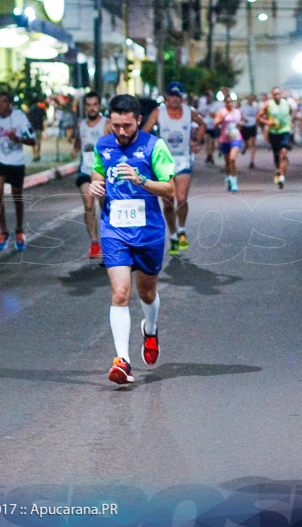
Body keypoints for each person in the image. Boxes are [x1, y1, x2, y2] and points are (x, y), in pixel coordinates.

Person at [88, 94, 175, 385]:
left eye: (126, 126)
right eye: (115, 126)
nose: (121, 132)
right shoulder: (104, 145)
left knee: (146, 293)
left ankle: (150, 330)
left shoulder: (154, 146)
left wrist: (142, 181)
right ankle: (122, 361)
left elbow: (170, 189)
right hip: (114, 230)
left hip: (149, 231)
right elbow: (96, 174)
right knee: (120, 293)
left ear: (138, 120)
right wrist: (96, 185)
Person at [154, 81, 205, 255]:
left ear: (182, 97)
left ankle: (182, 229)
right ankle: (173, 235)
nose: (175, 99)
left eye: (178, 96)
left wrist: (196, 140)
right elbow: (145, 132)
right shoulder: (158, 112)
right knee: (168, 204)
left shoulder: (189, 112)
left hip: (183, 160)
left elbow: (203, 124)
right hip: (163, 162)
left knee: (181, 197)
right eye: (172, 95)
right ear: (167, 97)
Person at [0, 90, 36, 251]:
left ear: (10, 104)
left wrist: (17, 139)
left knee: (17, 197)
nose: (1, 105)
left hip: (16, 162)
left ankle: (19, 229)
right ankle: (4, 231)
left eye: (4, 102)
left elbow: (32, 140)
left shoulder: (19, 117)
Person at [72, 91, 111, 260]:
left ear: (99, 106)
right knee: (88, 204)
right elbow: (78, 142)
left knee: (104, 206)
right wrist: (74, 150)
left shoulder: (107, 124)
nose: (92, 108)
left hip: (102, 173)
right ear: (85, 107)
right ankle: (95, 243)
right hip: (85, 171)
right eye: (88, 105)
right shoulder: (81, 125)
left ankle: (110, 239)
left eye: (95, 104)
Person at [260, 86, 293, 189]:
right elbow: (259, 117)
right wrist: (268, 122)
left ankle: (282, 177)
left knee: (283, 153)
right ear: (272, 95)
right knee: (276, 156)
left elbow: (291, 113)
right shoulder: (268, 105)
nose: (277, 96)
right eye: (275, 94)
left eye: (279, 94)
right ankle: (278, 170)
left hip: (285, 131)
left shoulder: (286, 103)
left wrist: (289, 122)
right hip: (273, 132)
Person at [214, 91, 243, 192]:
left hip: (235, 137)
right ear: (225, 103)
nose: (229, 104)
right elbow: (215, 124)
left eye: (231, 102)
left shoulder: (237, 112)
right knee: (227, 161)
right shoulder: (221, 112)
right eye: (227, 102)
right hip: (225, 138)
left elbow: (239, 123)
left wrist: (240, 125)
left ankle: (234, 181)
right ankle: (228, 177)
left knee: (232, 158)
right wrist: (222, 119)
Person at [240, 94, 260, 169]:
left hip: (253, 126)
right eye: (250, 99)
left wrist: (258, 125)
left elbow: (258, 116)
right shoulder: (243, 107)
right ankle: (245, 147)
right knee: (246, 143)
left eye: (253, 99)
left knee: (253, 144)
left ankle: (252, 161)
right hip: (245, 127)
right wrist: (243, 119)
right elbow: (239, 114)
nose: (251, 100)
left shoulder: (255, 108)